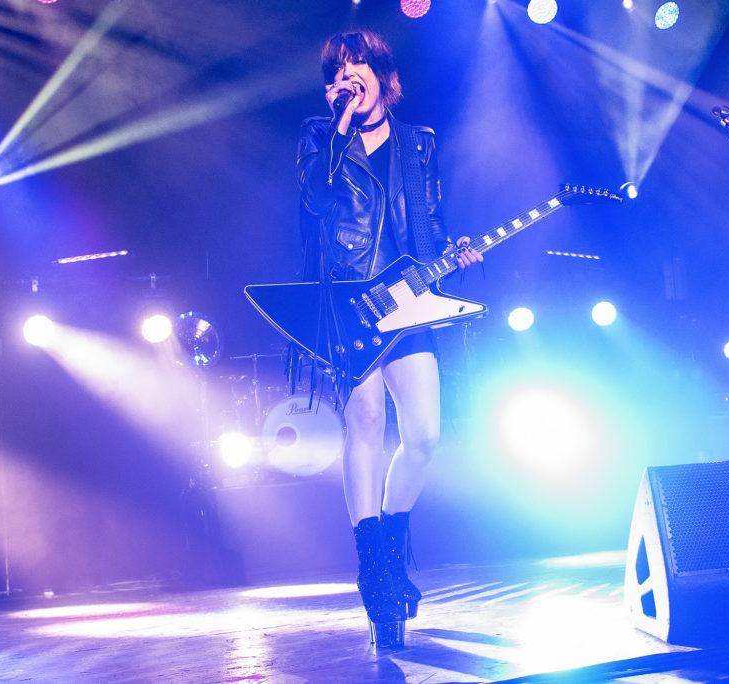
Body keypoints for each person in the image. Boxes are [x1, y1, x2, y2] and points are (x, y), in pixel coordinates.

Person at [295, 29, 482, 648]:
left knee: (426, 434)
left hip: (408, 299)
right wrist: (340, 130)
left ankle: (390, 539)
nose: (349, 76)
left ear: (382, 73)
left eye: (359, 66)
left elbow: (426, 220)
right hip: (347, 300)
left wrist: (455, 252)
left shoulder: (419, 143)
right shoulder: (320, 138)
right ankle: (374, 569)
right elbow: (317, 202)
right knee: (367, 422)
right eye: (338, 70)